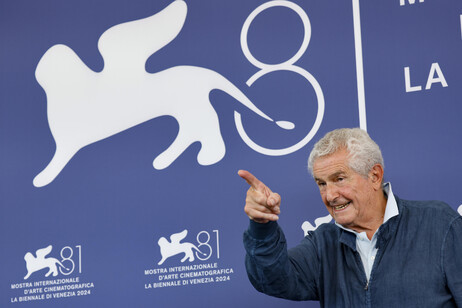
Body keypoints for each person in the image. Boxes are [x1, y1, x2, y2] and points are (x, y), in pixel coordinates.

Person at [238, 128, 462, 307]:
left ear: (374, 176)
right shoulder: (322, 244)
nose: (330, 195)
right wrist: (262, 225)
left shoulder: (439, 225)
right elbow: (271, 280)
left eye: (340, 179)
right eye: (321, 183)